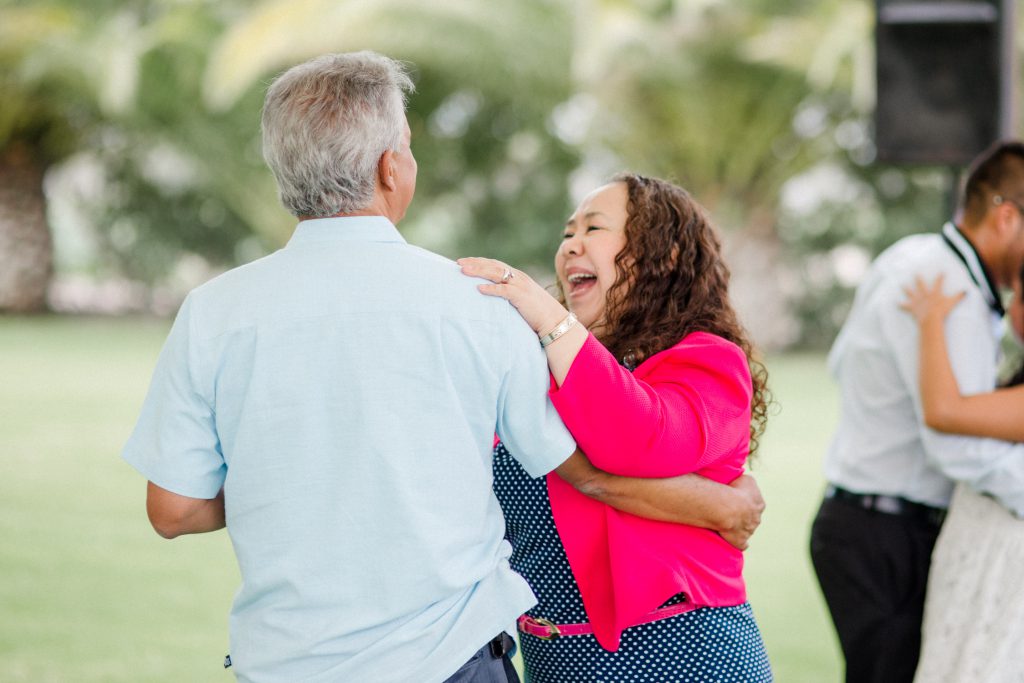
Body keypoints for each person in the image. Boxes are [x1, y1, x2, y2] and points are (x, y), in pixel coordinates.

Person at [122, 52, 763, 683]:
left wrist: (298, 475)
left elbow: (173, 510)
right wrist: (713, 506)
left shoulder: (210, 312)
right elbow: (582, 470)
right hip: (449, 662)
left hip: (284, 665)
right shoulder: (482, 303)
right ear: (390, 167)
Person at [458, 173, 773, 682]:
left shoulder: (709, 360)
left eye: (594, 228)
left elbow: (636, 439)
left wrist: (546, 315)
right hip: (555, 663)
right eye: (566, 233)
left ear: (663, 254)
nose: (571, 245)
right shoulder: (539, 368)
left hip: (679, 655)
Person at [810, 139, 1024, 683]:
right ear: (1006, 217)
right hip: (890, 535)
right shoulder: (950, 291)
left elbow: (841, 362)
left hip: (856, 521)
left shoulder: (910, 255)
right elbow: (958, 444)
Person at [901, 268, 1024, 683]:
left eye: (1018, 298)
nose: (1009, 310)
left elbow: (945, 412)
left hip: (1002, 569)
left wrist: (930, 320)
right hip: (978, 559)